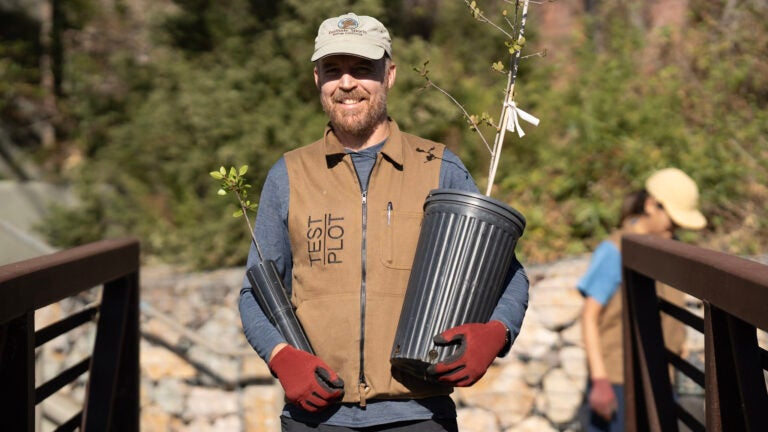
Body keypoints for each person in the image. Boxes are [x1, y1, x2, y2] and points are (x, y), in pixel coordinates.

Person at [238, 12, 530, 431]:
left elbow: (509, 274)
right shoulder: (288, 176)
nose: (347, 83)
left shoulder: (438, 167)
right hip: (316, 417)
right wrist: (281, 355)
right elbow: (254, 291)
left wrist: (496, 333)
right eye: (333, 70)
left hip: (419, 414)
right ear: (316, 78)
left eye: (363, 69)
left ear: (389, 75)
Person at [578, 167, 707, 431]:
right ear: (650, 205)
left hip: (657, 376)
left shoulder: (667, 248)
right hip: (618, 381)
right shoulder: (615, 251)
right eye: (673, 220)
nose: (676, 228)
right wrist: (601, 382)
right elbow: (589, 316)